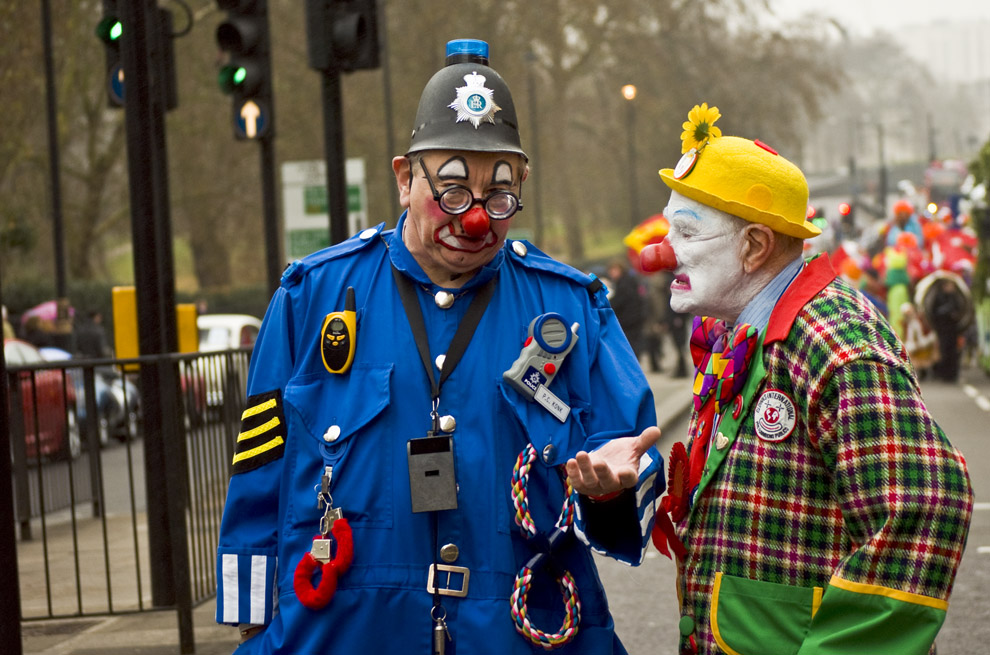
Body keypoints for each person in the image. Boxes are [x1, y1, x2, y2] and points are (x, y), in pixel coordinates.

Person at [215, 39, 664, 655]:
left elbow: (631, 458)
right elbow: (258, 470)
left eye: (498, 194)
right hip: (343, 627)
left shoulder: (571, 307)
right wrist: (250, 618)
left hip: (517, 630)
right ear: (404, 178)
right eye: (452, 190)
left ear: (522, 185)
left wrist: (611, 488)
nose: (475, 218)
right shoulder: (311, 296)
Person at [636, 104, 973, 655]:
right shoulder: (741, 332)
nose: (662, 252)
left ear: (753, 246)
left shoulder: (837, 344)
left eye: (687, 232)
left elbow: (924, 507)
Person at [606, 258, 649, 366]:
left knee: (631, 347)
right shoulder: (627, 281)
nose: (612, 273)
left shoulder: (624, 283)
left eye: (614, 270)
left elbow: (619, 301)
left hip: (629, 320)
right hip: (633, 319)